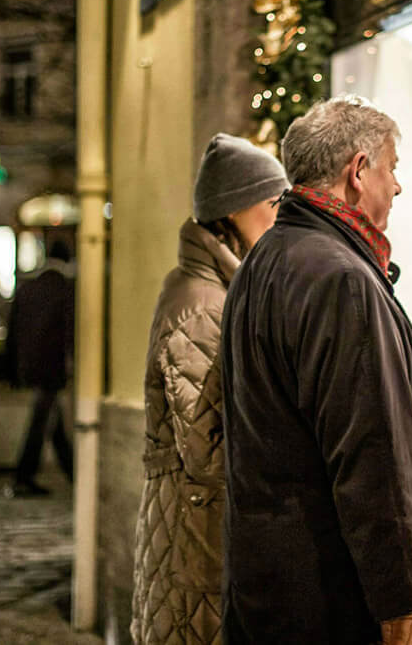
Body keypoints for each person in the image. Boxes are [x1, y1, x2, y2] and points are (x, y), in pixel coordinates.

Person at [220, 95, 412, 645]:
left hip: (282, 592)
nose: (398, 186)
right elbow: (371, 455)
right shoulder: (339, 278)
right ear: (358, 171)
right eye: (392, 169)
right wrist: (402, 603)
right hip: (338, 604)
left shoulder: (266, 260)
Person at [131, 133, 289, 645]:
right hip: (195, 539)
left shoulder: (217, 290)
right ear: (232, 212)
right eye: (272, 204)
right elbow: (208, 448)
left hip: (195, 529)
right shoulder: (203, 305)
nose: (279, 217)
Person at [5, 240, 75, 498]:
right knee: (41, 421)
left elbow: (12, 331)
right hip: (52, 368)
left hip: (30, 366)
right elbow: (70, 334)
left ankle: (74, 473)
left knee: (50, 422)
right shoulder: (65, 290)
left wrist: (12, 368)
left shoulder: (28, 288)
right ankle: (23, 477)